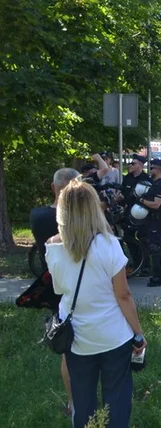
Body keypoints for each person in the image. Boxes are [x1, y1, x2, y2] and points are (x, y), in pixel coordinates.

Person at [46, 181, 146, 428]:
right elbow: (123, 295)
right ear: (93, 208)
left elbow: (59, 288)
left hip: (78, 336)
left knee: (83, 398)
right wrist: (138, 333)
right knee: (117, 395)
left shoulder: (53, 246)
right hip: (113, 334)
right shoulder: (109, 244)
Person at [30, 167, 81, 414]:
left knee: (67, 346)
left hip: (56, 286)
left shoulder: (38, 217)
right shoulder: (87, 221)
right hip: (87, 287)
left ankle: (73, 402)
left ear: (53, 188)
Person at [136, 159, 161, 286]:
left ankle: (159, 277)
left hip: (157, 220)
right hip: (152, 219)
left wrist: (141, 201)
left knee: (155, 248)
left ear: (159, 170)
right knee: (155, 247)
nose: (150, 171)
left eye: (153, 168)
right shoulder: (155, 184)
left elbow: (156, 204)